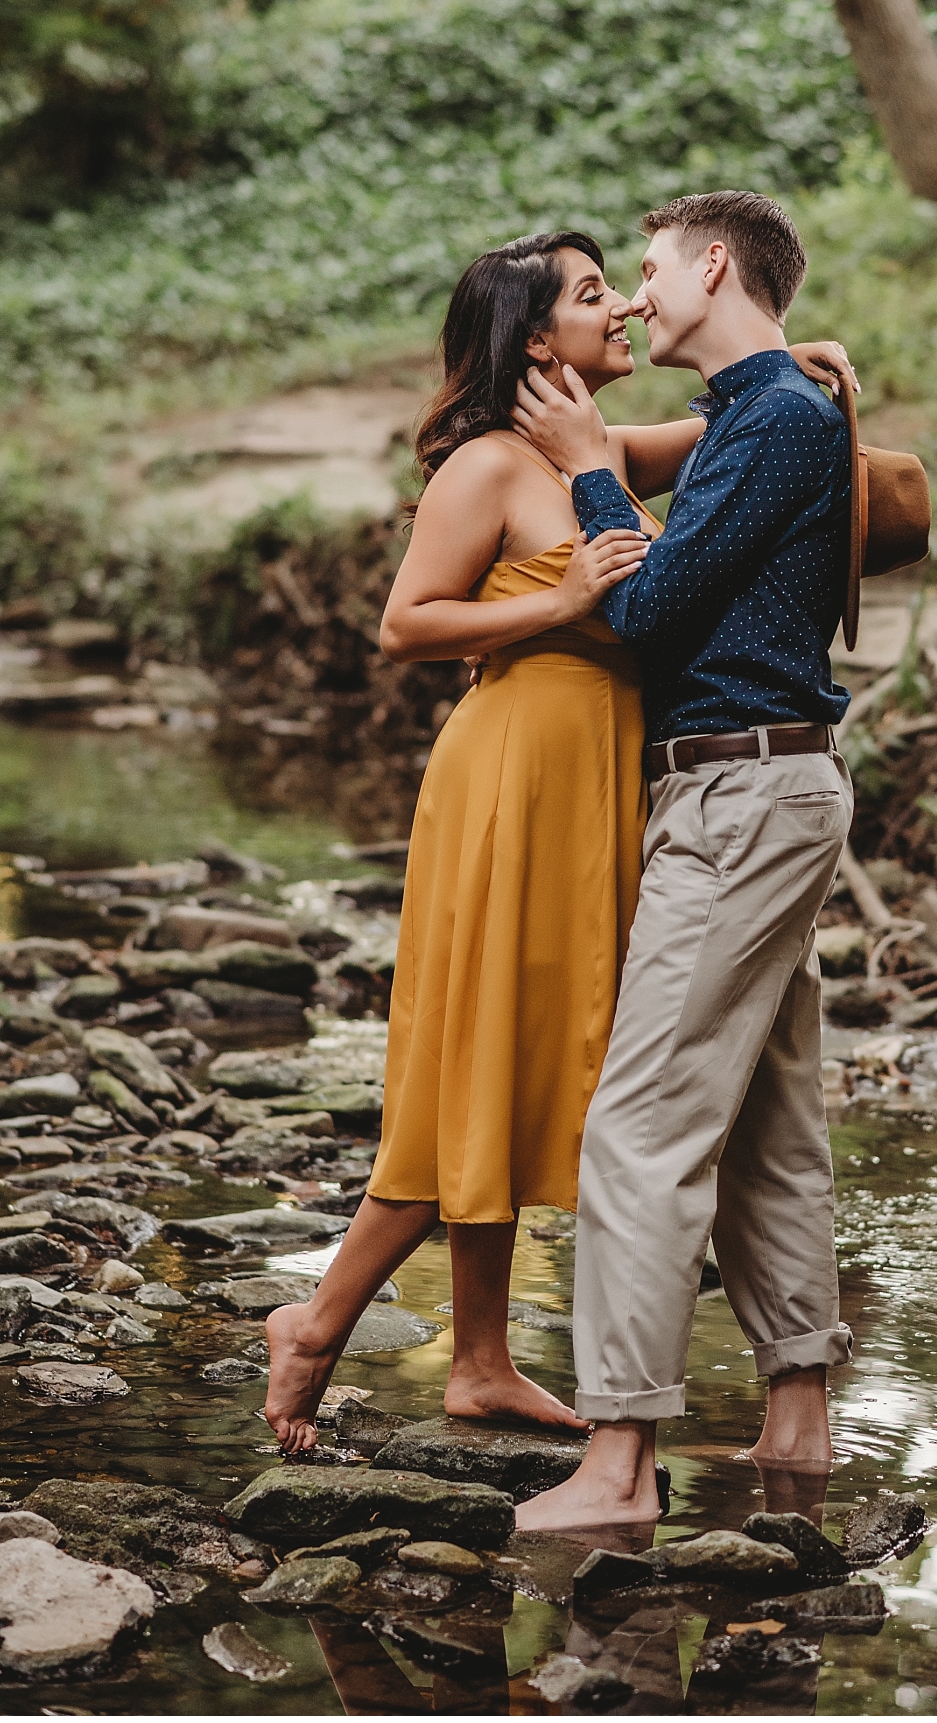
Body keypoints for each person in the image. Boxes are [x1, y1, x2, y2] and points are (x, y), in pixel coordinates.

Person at [262, 229, 853, 1455]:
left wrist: (795, 362)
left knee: (532, 1058)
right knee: (477, 1058)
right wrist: (562, 601)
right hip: (513, 779)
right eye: (594, 298)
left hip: (600, 781)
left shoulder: (589, 449)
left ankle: (479, 1363)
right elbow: (405, 624)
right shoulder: (486, 463)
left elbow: (732, 432)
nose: (622, 311)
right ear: (537, 339)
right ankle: (316, 1323)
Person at [504, 190, 859, 1529]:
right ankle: (799, 1416)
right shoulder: (766, 412)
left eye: (649, 272)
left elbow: (650, 610)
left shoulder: (772, 419)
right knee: (768, 1114)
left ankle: (620, 1454)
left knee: (639, 1123)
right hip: (760, 791)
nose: (639, 297)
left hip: (742, 800)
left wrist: (592, 460)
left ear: (716, 267)